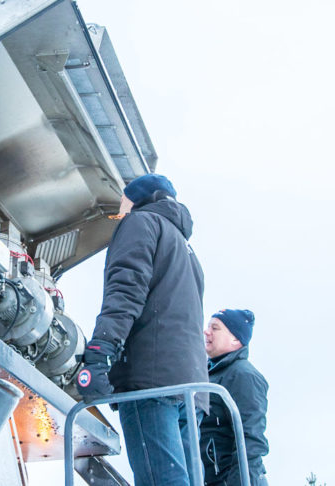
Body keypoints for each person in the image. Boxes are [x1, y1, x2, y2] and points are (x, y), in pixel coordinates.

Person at [75, 174, 208, 486]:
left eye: (124, 200)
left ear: (138, 198)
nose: (120, 208)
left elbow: (126, 290)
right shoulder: (188, 251)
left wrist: (100, 353)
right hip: (192, 388)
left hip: (151, 381)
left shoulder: (141, 223)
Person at [200, 309, 269, 486]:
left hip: (229, 481)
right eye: (208, 326)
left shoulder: (243, 375)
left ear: (235, 339)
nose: (206, 331)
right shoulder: (205, 375)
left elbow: (250, 439)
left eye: (215, 328)